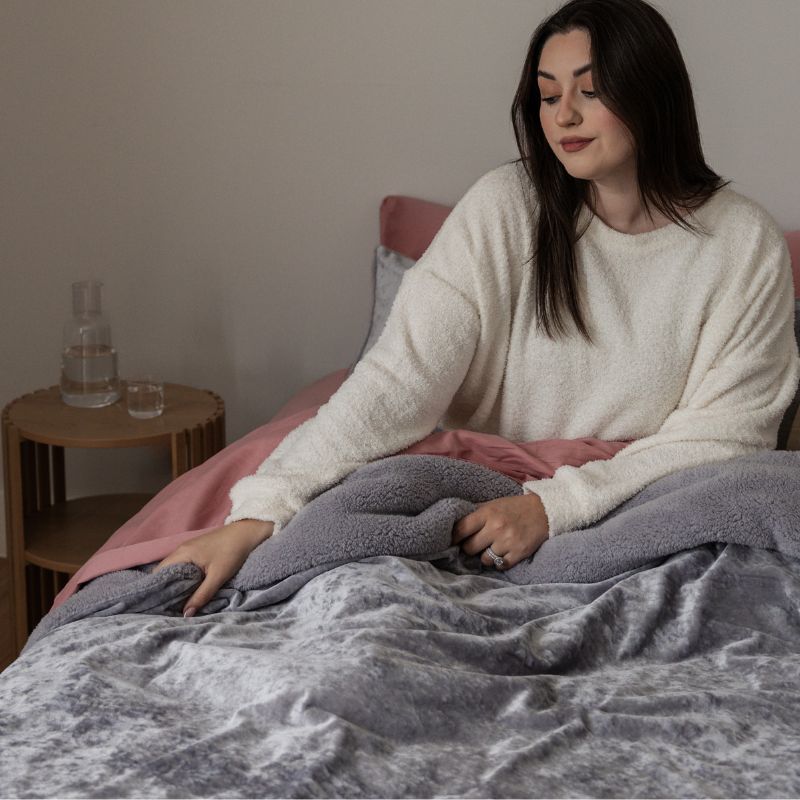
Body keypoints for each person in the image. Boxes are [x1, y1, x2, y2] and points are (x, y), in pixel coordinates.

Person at [155, 0, 800, 618]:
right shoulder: (504, 209)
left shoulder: (742, 243)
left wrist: (554, 507)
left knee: (773, 494)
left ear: (653, 93)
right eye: (548, 96)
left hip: (649, 498)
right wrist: (262, 510)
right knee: (322, 536)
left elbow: (728, 436)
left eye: (589, 90)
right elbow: (398, 381)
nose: (563, 116)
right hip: (474, 497)